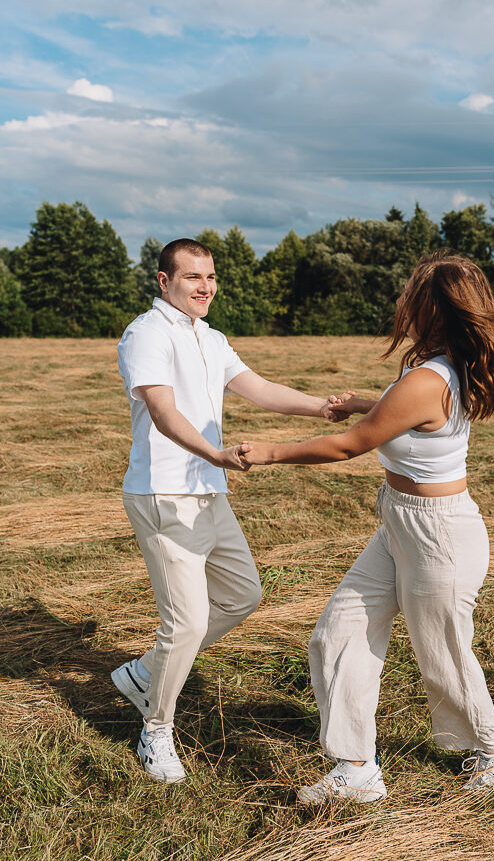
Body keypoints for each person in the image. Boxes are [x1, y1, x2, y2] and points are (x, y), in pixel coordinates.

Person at [241, 251, 494, 802]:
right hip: (400, 523)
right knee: (337, 633)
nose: (401, 302)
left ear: (432, 308)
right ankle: (355, 769)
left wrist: (269, 452)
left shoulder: (429, 377)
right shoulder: (438, 366)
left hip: (439, 536)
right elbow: (413, 420)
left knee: (443, 655)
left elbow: (351, 445)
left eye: (410, 295)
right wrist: (370, 405)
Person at [114, 237, 348, 784]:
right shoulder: (144, 334)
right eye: (193, 277)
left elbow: (258, 388)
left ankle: (145, 672)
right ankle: (156, 730)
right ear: (163, 281)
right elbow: (163, 411)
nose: (206, 287)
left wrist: (323, 406)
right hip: (163, 492)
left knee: (243, 594)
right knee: (188, 620)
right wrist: (215, 453)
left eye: (211, 277)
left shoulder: (211, 338)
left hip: (208, 492)